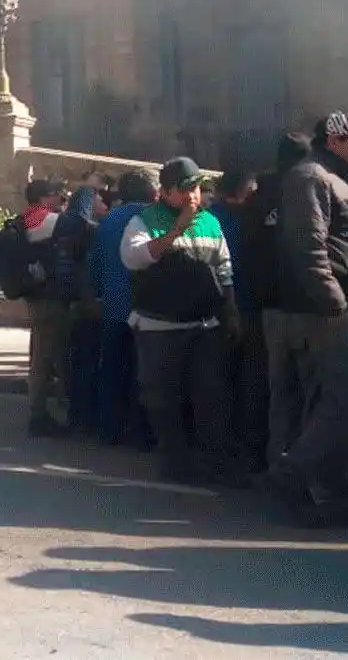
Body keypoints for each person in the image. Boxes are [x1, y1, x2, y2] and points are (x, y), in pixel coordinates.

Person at [267, 112, 348, 528]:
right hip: (330, 313)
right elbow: (307, 247)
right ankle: (292, 472)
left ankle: (340, 495)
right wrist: (335, 304)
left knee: (334, 401)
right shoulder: (312, 177)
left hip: (336, 309)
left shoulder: (329, 177)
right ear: (334, 140)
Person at [120, 157, 247, 486]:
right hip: (160, 329)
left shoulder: (210, 223)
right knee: (164, 399)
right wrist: (177, 229)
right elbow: (134, 258)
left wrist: (231, 311)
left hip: (203, 326)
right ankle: (174, 461)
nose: (193, 195)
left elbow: (224, 268)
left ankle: (213, 461)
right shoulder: (144, 221)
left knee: (210, 395)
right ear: (165, 191)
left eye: (197, 188)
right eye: (185, 188)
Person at [247, 132, 312, 467]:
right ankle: (300, 465)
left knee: (276, 388)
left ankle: (273, 459)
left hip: (267, 305)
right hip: (305, 305)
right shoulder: (310, 190)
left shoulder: (258, 198)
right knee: (308, 389)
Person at [88, 171, 157, 448]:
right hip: (146, 307)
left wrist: (97, 295)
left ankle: (110, 428)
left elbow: (96, 263)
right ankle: (142, 432)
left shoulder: (109, 221)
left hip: (113, 305)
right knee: (144, 372)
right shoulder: (155, 218)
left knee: (112, 368)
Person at [213, 169, 269, 471]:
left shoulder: (210, 217)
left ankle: (225, 442)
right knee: (245, 379)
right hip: (240, 307)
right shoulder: (238, 219)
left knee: (224, 379)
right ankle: (239, 444)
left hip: (218, 309)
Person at [15, 179, 71, 437]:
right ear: (43, 198)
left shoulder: (26, 218)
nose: (60, 198)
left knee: (45, 355)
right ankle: (38, 415)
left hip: (38, 296)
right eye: (56, 194)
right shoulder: (43, 219)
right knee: (44, 358)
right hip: (47, 299)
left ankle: (45, 410)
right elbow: (81, 227)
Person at [56, 180, 108, 434]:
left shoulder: (63, 222)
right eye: (98, 198)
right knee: (86, 360)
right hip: (85, 302)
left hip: (68, 299)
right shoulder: (88, 228)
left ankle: (74, 413)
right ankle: (84, 416)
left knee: (74, 359)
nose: (103, 203)